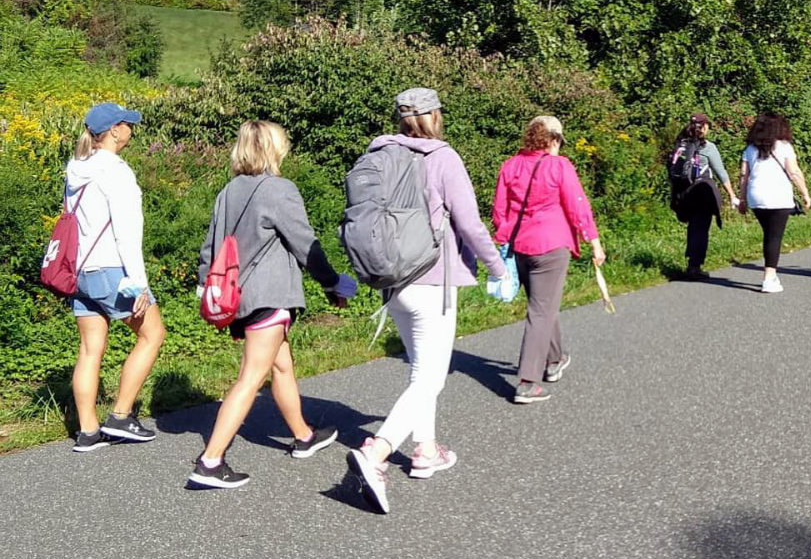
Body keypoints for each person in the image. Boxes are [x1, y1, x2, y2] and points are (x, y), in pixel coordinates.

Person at [346, 88, 509, 514]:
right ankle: (376, 453)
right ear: (434, 115)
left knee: (423, 371)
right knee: (430, 379)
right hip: (433, 281)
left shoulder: (380, 153)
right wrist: (498, 268)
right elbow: (470, 224)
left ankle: (425, 450)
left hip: (394, 283)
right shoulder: (442, 157)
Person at [190, 121, 356, 489]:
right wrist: (332, 283)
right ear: (272, 149)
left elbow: (209, 246)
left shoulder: (228, 191)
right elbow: (305, 244)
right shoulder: (280, 190)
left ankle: (304, 436)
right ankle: (210, 462)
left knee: (282, 367)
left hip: (237, 297)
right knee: (251, 378)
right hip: (270, 296)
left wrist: (205, 284)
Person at [65, 103, 165, 452]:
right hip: (112, 269)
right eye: (128, 125)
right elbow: (127, 230)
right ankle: (121, 416)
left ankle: (88, 431)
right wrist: (138, 281)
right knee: (153, 334)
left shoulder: (77, 168)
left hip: (79, 271)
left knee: (90, 349)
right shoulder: (116, 172)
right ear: (115, 131)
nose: (131, 131)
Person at [493, 116, 605, 404]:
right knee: (541, 311)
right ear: (552, 139)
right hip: (551, 245)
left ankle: (555, 359)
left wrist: (503, 239)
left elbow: (499, 212)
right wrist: (594, 242)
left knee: (542, 305)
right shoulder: (559, 166)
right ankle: (528, 382)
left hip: (520, 246)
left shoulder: (510, 165)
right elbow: (577, 205)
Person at [737, 113, 811, 294]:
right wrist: (805, 194)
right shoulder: (784, 147)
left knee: (769, 234)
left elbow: (743, 176)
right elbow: (793, 172)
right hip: (778, 196)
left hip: (756, 196)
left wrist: (742, 199)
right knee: (774, 237)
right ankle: (769, 278)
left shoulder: (749, 149)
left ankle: (771, 276)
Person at [668, 112, 738, 280]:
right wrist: (732, 195)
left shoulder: (681, 144)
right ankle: (694, 266)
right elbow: (721, 172)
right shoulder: (707, 147)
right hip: (701, 193)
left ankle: (692, 263)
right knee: (700, 228)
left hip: (684, 192)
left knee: (693, 227)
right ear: (705, 126)